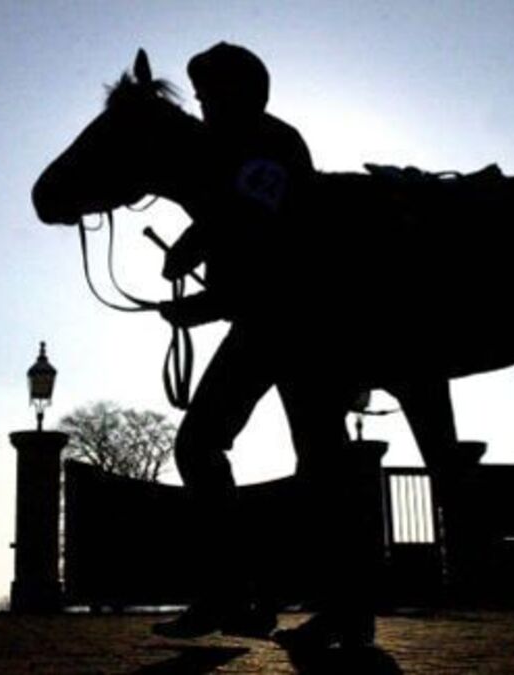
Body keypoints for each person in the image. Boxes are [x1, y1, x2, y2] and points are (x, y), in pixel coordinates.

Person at [150, 43, 378, 649]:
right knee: (301, 459)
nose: (203, 108)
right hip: (270, 325)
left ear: (239, 94)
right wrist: (196, 244)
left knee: (230, 448)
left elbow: (262, 241)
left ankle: (271, 598)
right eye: (201, 98)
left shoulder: (270, 145)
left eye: (209, 97)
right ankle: (316, 605)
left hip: (294, 327)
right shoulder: (251, 146)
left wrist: (200, 296)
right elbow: (232, 221)